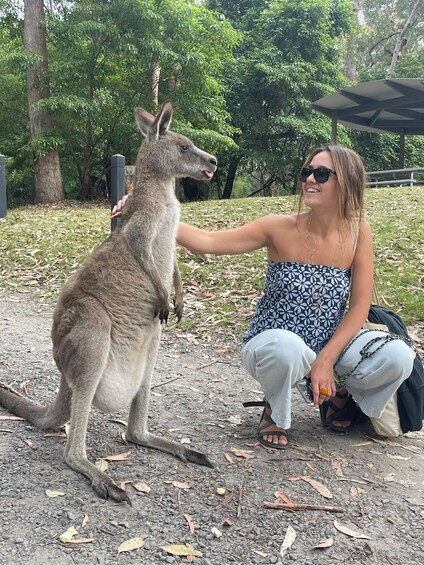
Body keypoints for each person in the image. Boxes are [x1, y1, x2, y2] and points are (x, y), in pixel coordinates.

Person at [111, 144, 416, 449]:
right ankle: (275, 406)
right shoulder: (278, 228)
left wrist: (326, 358)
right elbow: (207, 241)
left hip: (333, 344)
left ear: (347, 182)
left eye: (321, 174)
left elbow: (359, 306)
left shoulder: (359, 231)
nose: (310, 179)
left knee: (399, 356)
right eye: (306, 172)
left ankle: (339, 395)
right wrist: (150, 210)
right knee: (287, 349)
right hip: (274, 342)